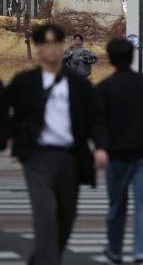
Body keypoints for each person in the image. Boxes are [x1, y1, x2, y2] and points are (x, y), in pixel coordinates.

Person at [4, 24, 106, 265]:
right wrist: (9, 135)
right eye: (45, 45)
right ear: (39, 49)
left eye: (55, 44)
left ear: (62, 47)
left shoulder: (78, 84)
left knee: (65, 218)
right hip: (36, 158)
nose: (50, 49)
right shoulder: (25, 82)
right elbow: (4, 110)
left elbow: (95, 118)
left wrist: (100, 146)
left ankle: (41, 260)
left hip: (70, 158)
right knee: (45, 215)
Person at [96, 38, 143, 265]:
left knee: (117, 205)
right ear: (133, 57)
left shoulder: (104, 88)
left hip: (116, 155)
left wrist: (101, 147)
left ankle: (115, 249)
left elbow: (98, 122)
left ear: (109, 60)